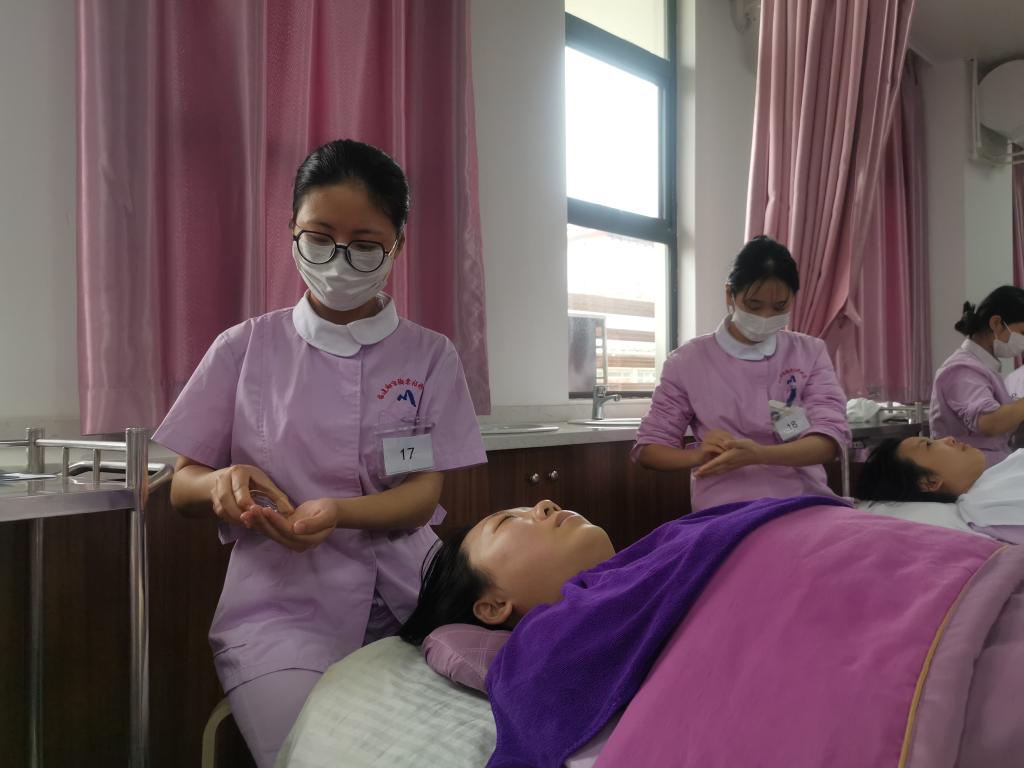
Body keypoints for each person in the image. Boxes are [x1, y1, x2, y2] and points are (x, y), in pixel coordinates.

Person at [154, 139, 486, 766]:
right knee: (317, 752)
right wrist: (221, 482)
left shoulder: (429, 355)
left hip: (417, 598)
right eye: (319, 237)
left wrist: (337, 512)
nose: (339, 261)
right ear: (292, 232)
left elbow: (422, 496)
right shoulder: (244, 348)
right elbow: (182, 485)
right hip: (281, 609)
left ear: (397, 246)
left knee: (446, 745)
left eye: (364, 244)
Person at [632, 236, 850, 511]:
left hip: (805, 499)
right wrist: (700, 455)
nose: (765, 316)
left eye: (779, 307)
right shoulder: (688, 362)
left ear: (793, 298)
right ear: (730, 294)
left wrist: (759, 455)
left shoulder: (810, 352)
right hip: (728, 508)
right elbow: (650, 449)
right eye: (754, 305)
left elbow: (829, 440)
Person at [855, 436, 1024, 542]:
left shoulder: (996, 475)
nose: (950, 439)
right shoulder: (984, 510)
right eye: (929, 445)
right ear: (930, 482)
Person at [930, 286, 1024, 467]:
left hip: (991, 468)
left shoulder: (984, 368)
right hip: (970, 472)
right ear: (996, 323)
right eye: (1022, 333)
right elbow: (989, 423)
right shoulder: (962, 370)